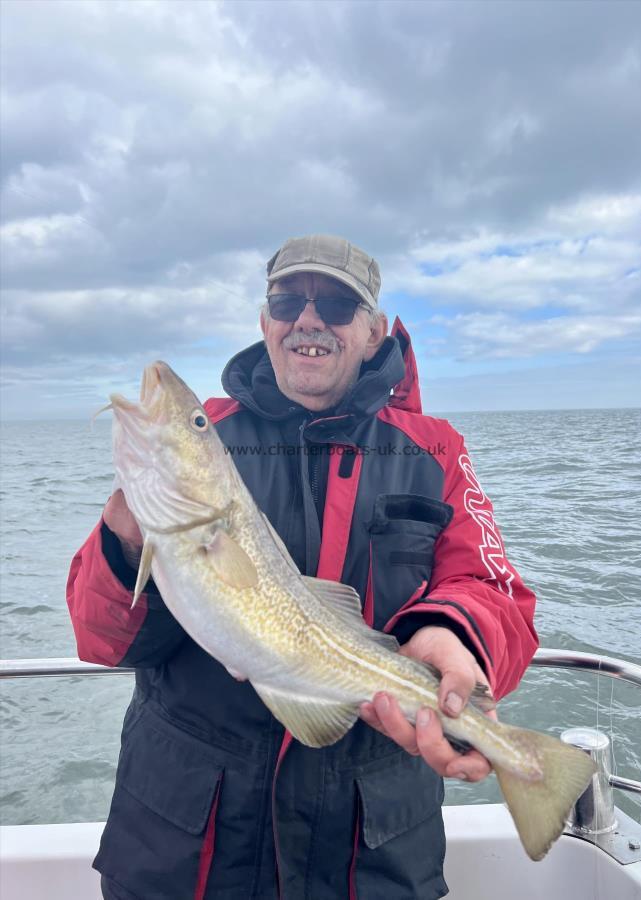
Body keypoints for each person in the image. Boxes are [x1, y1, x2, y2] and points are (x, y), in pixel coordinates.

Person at [67, 234, 538, 900]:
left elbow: (491, 587)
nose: (308, 319)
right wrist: (122, 539)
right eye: (287, 300)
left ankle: (531, 767)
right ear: (264, 324)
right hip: (189, 845)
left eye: (337, 304)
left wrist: (457, 635)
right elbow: (102, 641)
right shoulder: (213, 447)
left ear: (373, 332)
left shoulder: (431, 450)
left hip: (364, 850)